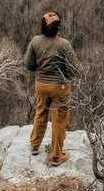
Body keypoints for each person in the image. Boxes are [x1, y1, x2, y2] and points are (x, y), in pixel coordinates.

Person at [24, 10, 78, 165]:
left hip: (41, 83)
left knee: (40, 112)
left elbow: (29, 64)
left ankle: (35, 145)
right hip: (60, 86)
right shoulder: (64, 44)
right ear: (57, 27)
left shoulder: (35, 41)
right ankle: (56, 155)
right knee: (59, 119)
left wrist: (41, 68)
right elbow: (74, 68)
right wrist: (64, 75)